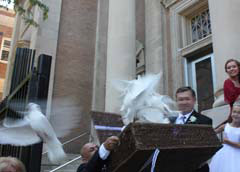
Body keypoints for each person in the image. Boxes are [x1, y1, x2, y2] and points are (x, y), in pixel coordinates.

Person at [175, 86, 212, 172]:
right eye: (180, 99)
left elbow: (207, 147)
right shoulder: (169, 121)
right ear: (176, 101)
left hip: (195, 168)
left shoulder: (204, 121)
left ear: (194, 100)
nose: (184, 102)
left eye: (187, 99)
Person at [209, 101, 240, 172]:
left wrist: (228, 142)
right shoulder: (225, 126)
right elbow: (212, 132)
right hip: (224, 153)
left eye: (239, 113)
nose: (236, 114)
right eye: (234, 112)